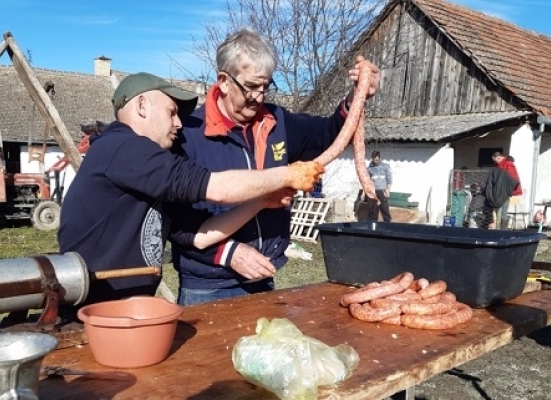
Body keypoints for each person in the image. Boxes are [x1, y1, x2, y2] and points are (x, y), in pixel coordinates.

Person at [57, 72, 323, 307]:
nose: (179, 124)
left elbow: (200, 237)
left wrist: (262, 201)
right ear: (141, 105)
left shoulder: (140, 166)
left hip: (129, 309)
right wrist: (288, 174)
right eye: (171, 112)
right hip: (93, 310)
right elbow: (216, 187)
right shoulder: (123, 147)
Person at [171, 27, 381, 306]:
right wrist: (227, 252)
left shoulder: (277, 120)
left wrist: (357, 97)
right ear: (223, 81)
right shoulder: (188, 135)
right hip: (210, 286)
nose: (259, 97)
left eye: (266, 87)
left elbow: (327, 134)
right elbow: (174, 221)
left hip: (264, 277)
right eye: (251, 87)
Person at [491, 151, 522, 229]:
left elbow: (512, 178)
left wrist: (506, 189)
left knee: (503, 211)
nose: (495, 162)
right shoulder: (501, 164)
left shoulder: (508, 164)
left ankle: (502, 229)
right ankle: (500, 228)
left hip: (504, 192)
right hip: (501, 191)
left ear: (499, 157)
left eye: (495, 160)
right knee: (500, 210)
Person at [362, 151, 392, 222]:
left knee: (385, 210)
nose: (376, 161)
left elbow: (389, 179)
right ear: (372, 159)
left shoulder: (385, 167)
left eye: (377, 160)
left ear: (380, 158)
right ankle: (372, 227)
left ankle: (387, 226)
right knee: (372, 211)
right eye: (374, 160)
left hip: (382, 191)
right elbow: (366, 182)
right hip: (372, 192)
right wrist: (364, 193)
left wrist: (388, 189)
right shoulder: (369, 169)